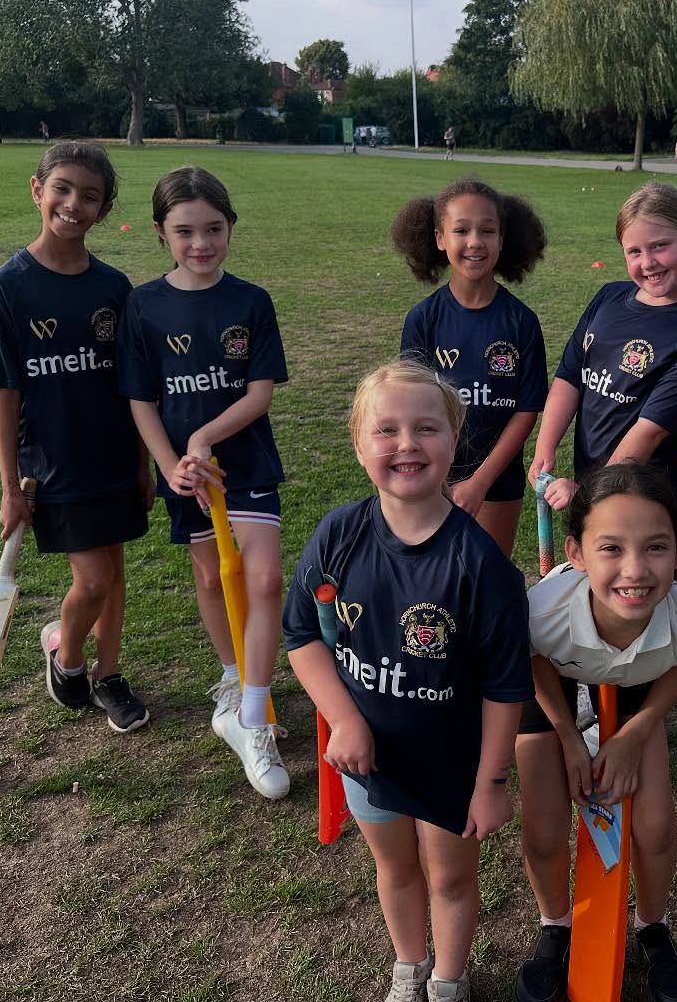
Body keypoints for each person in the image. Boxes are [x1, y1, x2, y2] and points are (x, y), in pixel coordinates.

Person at [283, 359, 533, 1002]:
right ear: (358, 443)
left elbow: (506, 689)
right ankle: (409, 967)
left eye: (426, 429)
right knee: (394, 870)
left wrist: (492, 783)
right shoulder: (338, 534)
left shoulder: (482, 565)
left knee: (449, 878)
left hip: (453, 766)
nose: (406, 444)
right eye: (385, 430)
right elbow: (303, 637)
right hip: (370, 759)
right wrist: (345, 720)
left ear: (454, 442)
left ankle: (449, 980)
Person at [514, 463, 677, 1002]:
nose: (635, 570)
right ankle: (555, 926)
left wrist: (636, 732)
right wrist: (566, 738)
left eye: (655, 548)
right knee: (541, 827)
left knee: (654, 827)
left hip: (635, 686)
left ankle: (652, 929)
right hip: (552, 684)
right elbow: (533, 661)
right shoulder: (542, 614)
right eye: (611, 549)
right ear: (576, 554)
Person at [117, 166, 291, 800]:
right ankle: (231, 684)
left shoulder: (251, 300)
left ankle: (254, 715)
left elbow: (261, 392)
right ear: (162, 232)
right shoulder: (143, 304)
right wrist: (170, 465)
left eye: (213, 229)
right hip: (185, 475)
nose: (201, 244)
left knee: (265, 578)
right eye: (185, 231)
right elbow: (141, 399)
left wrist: (204, 437)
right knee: (214, 578)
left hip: (243, 467)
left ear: (230, 227)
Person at [0, 142, 153, 732]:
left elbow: (132, 384)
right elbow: (5, 394)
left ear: (104, 210)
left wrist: (142, 461)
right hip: (52, 464)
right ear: (38, 190)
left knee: (116, 568)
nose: (73, 204)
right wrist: (10, 487)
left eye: (89, 196)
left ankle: (108, 675)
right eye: (62, 189)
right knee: (94, 578)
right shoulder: (8, 286)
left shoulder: (113, 286)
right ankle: (68, 659)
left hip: (111, 454)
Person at [528, 182, 677, 536]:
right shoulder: (608, 298)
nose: (647, 263)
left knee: (646, 590)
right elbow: (571, 377)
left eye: (660, 246)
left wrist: (588, 494)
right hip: (599, 491)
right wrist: (545, 447)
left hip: (653, 509)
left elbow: (646, 435)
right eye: (634, 252)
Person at [394, 178, 549, 555]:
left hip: (496, 483)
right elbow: (408, 407)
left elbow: (526, 411)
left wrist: (480, 481)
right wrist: (432, 476)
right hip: (431, 478)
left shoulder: (521, 322)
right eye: (461, 230)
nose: (475, 241)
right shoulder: (423, 319)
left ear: (502, 239)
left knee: (486, 582)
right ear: (439, 238)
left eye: (487, 230)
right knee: (433, 585)